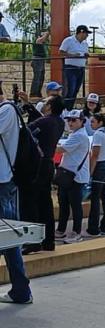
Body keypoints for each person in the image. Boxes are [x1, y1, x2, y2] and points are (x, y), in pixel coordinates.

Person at [20, 95, 65, 255]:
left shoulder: (46, 122)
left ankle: (33, 241)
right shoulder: (59, 122)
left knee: (30, 202)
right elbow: (40, 120)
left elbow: (25, 130)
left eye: (46, 102)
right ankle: (48, 240)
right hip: (48, 164)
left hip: (37, 165)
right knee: (45, 203)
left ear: (50, 106)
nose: (43, 104)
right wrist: (29, 105)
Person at [0, 98, 33, 304]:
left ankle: (21, 291)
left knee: (10, 239)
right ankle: (20, 290)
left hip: (3, 183)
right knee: (9, 239)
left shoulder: (6, 110)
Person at [55, 110, 90, 244]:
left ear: (81, 122)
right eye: (69, 120)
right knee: (64, 204)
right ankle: (61, 230)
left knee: (75, 205)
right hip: (68, 175)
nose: (70, 122)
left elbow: (60, 150)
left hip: (75, 176)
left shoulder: (79, 136)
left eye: (74, 120)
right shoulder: (74, 134)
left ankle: (76, 232)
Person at [59, 25, 90, 110]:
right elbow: (61, 52)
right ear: (81, 32)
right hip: (70, 68)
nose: (87, 36)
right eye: (86, 33)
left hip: (81, 68)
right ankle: (65, 109)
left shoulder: (85, 44)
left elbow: (85, 54)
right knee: (70, 89)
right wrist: (73, 55)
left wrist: (86, 56)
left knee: (76, 90)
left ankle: (69, 108)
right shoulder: (68, 40)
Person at [30, 28, 51, 97]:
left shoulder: (43, 42)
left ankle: (38, 92)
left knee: (41, 77)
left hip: (41, 60)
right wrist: (47, 33)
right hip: (37, 59)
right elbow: (42, 39)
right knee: (37, 77)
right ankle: (33, 93)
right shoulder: (38, 40)